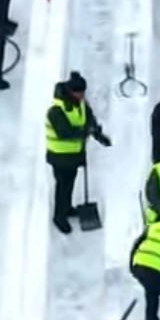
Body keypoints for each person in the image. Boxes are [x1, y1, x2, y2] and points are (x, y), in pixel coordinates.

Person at [46, 71, 111, 234]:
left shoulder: (80, 103)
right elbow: (65, 132)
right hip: (59, 156)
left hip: (74, 155)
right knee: (63, 186)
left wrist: (98, 134)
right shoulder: (56, 110)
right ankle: (59, 216)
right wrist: (85, 132)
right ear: (71, 91)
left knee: (70, 184)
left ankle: (67, 208)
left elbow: (89, 119)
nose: (82, 96)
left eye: (83, 93)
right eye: (79, 93)